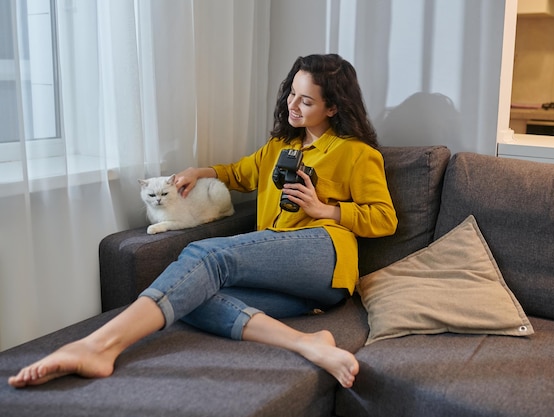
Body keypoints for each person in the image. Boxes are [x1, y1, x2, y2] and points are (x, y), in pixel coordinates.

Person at [8, 54, 398, 389]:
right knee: (190, 295)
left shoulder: (355, 153)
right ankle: (308, 343)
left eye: (307, 101)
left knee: (205, 256)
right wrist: (200, 171)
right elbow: (240, 173)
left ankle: (97, 346)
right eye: (292, 93)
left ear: (333, 108)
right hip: (295, 283)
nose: (293, 105)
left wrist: (324, 209)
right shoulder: (281, 146)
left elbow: (384, 219)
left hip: (324, 252)